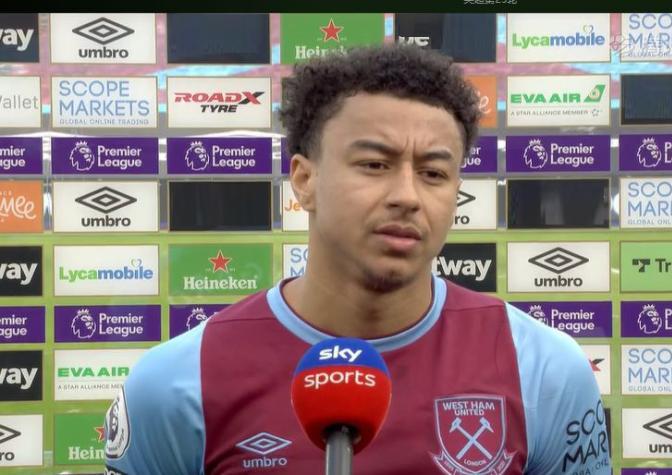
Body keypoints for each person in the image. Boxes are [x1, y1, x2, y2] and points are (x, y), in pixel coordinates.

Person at [104, 44, 609, 475]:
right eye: (374, 164)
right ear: (304, 180)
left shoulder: (543, 370)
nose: (407, 196)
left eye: (434, 173)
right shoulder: (176, 384)